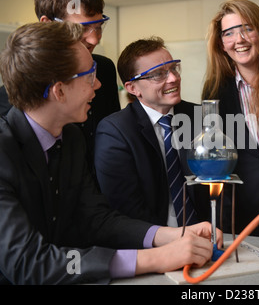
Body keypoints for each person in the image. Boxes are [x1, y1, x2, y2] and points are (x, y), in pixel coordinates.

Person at [0, 21, 221, 285]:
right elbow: (31, 263)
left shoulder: (70, 137)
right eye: (90, 76)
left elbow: (97, 219)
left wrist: (169, 236)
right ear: (59, 91)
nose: (98, 85)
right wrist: (155, 258)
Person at [0, 0, 121, 183]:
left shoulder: (104, 70)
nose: (94, 39)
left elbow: (112, 136)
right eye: (81, 28)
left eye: (98, 27)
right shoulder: (9, 107)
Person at [94, 37, 210, 227]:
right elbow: (126, 207)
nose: (173, 78)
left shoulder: (202, 118)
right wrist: (167, 240)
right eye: (158, 74)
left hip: (208, 233)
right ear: (132, 88)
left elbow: (222, 185)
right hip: (151, 243)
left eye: (173, 68)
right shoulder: (115, 131)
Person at [202, 0, 259, 239]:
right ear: (221, 44)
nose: (238, 40)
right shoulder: (215, 91)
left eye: (247, 28)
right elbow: (216, 155)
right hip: (242, 215)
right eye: (228, 33)